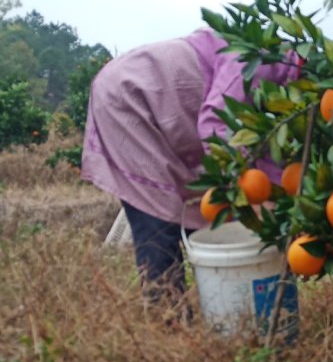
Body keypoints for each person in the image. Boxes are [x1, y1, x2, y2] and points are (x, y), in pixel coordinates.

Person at [81, 26, 300, 293]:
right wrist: (247, 198)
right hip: (130, 97)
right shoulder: (263, 61)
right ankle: (169, 320)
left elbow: (265, 159)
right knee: (158, 220)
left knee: (208, 217)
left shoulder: (292, 107)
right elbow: (218, 125)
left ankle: (221, 303)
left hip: (152, 107)